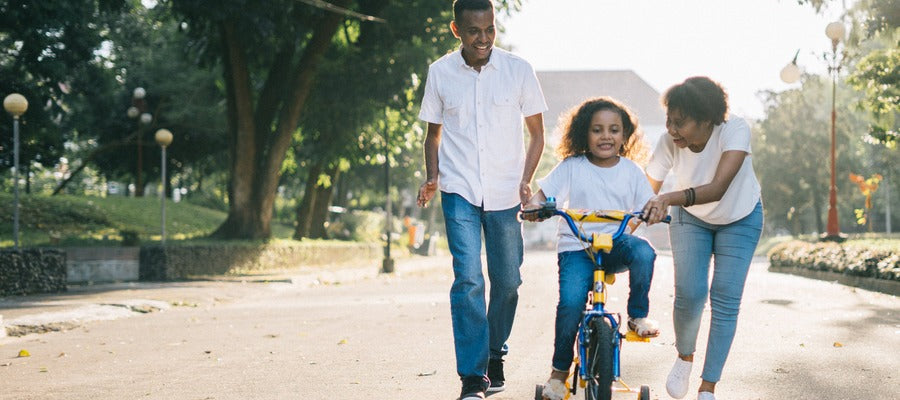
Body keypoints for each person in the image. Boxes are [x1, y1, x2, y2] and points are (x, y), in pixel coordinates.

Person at [415, 1, 547, 399]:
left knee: (507, 281)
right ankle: (473, 376)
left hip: (507, 192)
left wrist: (526, 179)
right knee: (469, 278)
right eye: (474, 31)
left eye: (490, 29)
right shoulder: (440, 73)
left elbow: (537, 134)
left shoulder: (518, 70)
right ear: (457, 30)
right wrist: (432, 178)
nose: (484, 38)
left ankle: (494, 353)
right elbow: (433, 135)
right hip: (459, 191)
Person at [521, 97, 659, 400]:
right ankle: (558, 373)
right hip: (577, 246)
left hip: (616, 244)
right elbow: (543, 195)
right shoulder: (572, 166)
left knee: (644, 252)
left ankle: (637, 315)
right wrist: (534, 206)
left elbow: (648, 204)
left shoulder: (632, 171)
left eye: (614, 130)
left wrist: (654, 210)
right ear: (585, 133)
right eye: (597, 130)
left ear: (624, 136)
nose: (606, 136)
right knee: (571, 303)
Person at [641, 76, 764, 400]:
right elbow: (644, 191)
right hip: (690, 219)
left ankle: (708, 386)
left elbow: (718, 188)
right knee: (690, 293)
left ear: (707, 119)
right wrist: (619, 226)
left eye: (680, 122)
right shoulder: (669, 143)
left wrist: (667, 197)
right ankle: (684, 357)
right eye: (669, 120)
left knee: (725, 297)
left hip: (740, 217)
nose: (671, 129)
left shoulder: (734, 130)